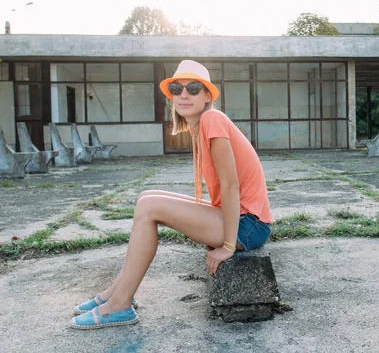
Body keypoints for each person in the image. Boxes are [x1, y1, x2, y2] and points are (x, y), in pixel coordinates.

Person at [70, 60, 273, 329]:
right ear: (171, 96)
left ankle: (120, 305)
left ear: (207, 95)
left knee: (151, 207)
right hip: (242, 219)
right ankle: (116, 295)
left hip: (249, 226)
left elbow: (230, 185)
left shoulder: (212, 119)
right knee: (146, 198)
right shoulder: (199, 126)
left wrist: (225, 246)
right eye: (177, 89)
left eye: (193, 88)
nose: (184, 94)